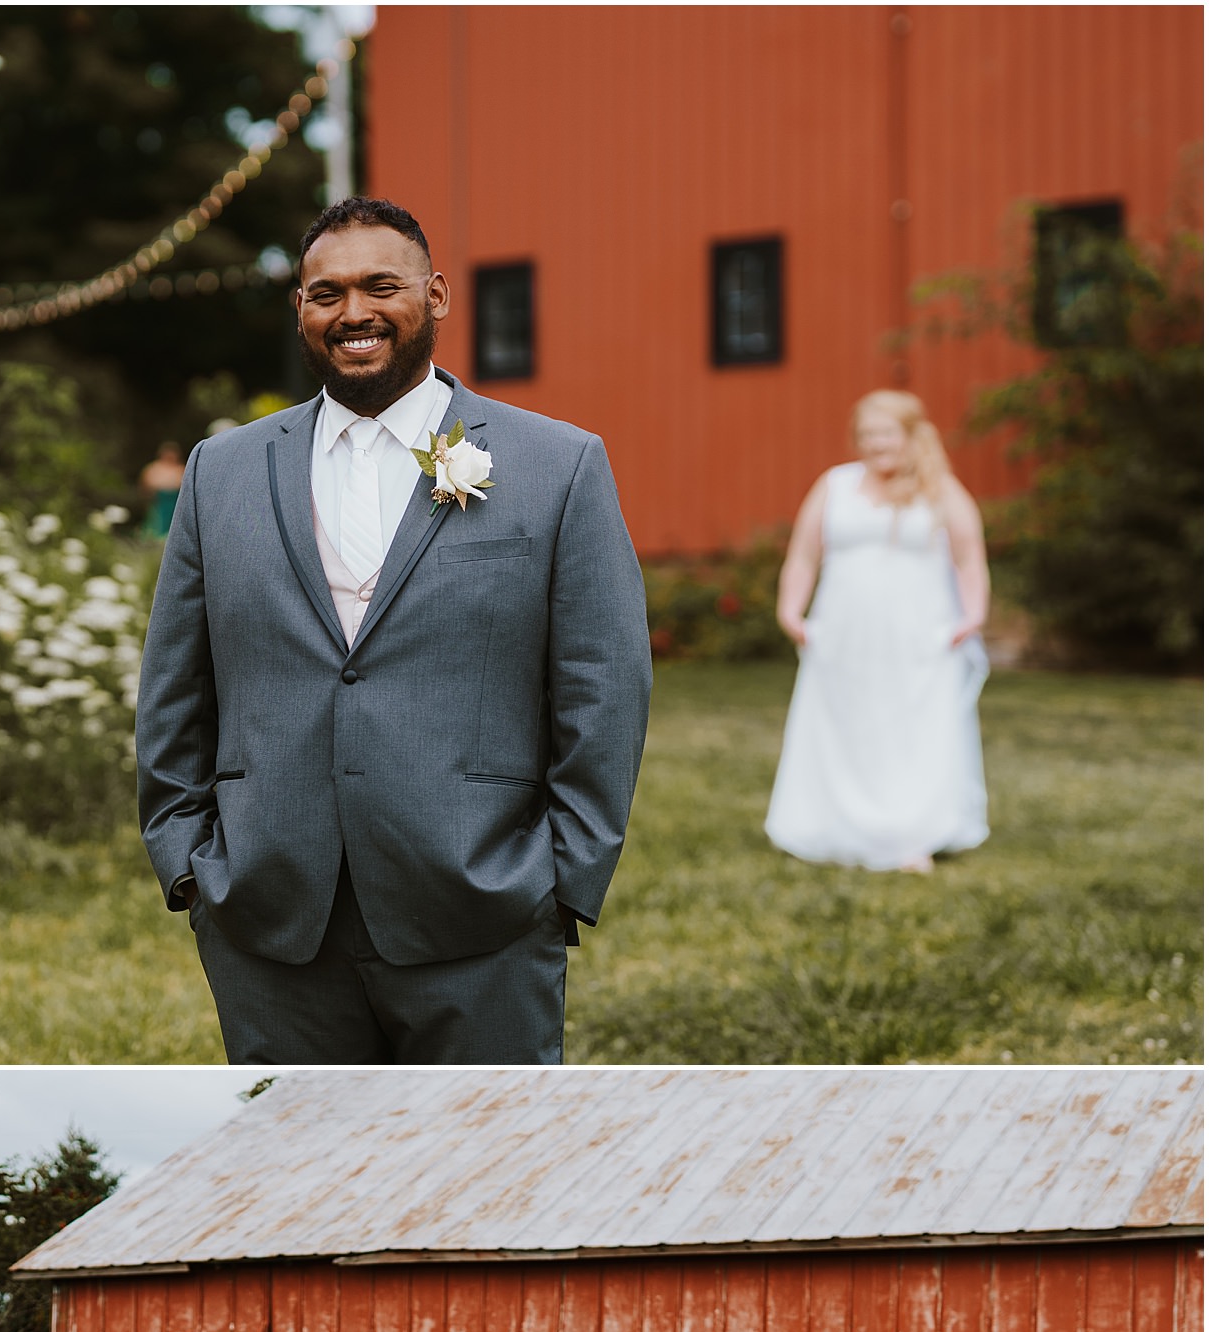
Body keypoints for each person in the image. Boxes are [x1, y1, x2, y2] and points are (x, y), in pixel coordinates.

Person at [135, 196, 650, 1065]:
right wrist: (187, 859)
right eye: (326, 294)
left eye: (381, 287)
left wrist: (562, 878)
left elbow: (606, 683)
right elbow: (176, 681)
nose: (354, 314)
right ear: (299, 308)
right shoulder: (219, 471)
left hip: (480, 905)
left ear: (436, 296)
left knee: (494, 1174)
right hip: (270, 915)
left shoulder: (558, 465)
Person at [765, 390, 990, 874]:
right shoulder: (836, 485)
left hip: (917, 638)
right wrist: (791, 611)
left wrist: (972, 615)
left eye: (886, 433)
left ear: (911, 436)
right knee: (848, 726)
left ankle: (911, 835)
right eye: (867, 435)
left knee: (910, 731)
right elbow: (804, 555)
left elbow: (969, 557)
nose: (876, 444)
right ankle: (835, 827)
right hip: (845, 637)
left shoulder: (940, 488)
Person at [139, 441, 185, 538]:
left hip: (174, 505)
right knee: (155, 528)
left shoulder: (181, 469)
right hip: (158, 504)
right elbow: (145, 485)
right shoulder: (153, 468)